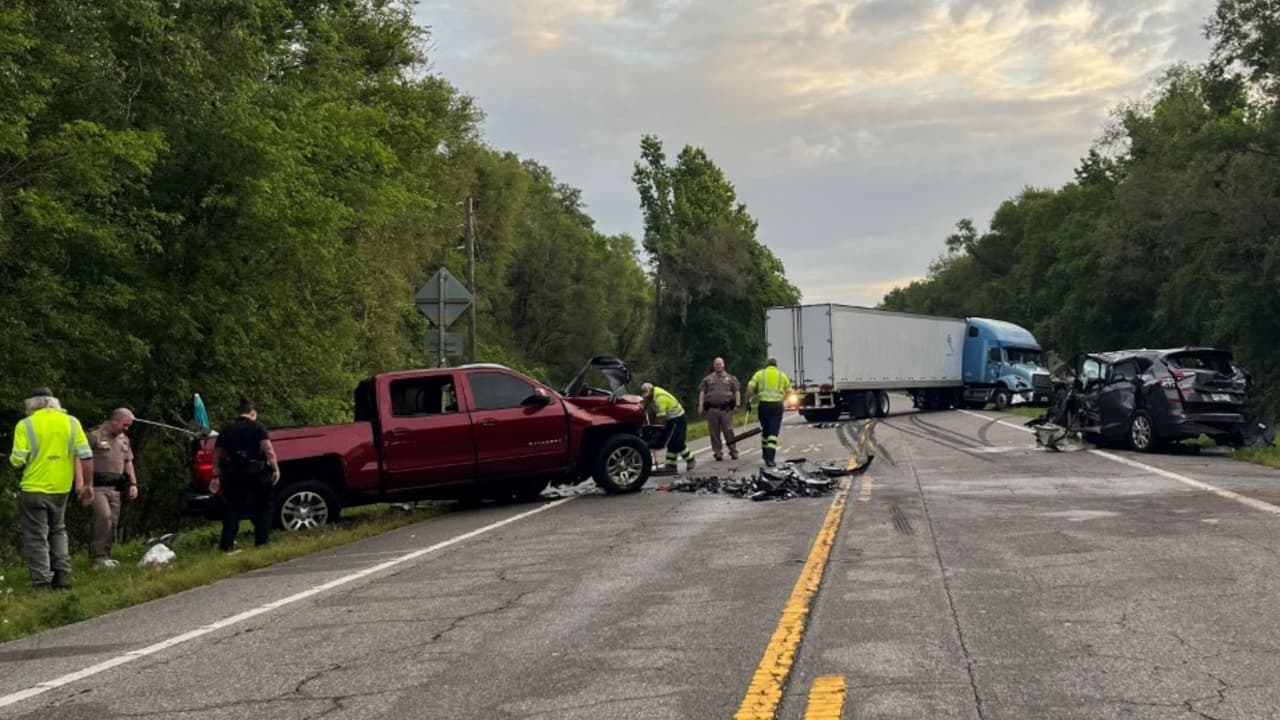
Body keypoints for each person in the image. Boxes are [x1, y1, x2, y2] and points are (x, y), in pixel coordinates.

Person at [8, 388, 93, 590]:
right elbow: (86, 455)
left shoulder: (25, 425)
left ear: (30, 404)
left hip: (34, 488)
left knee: (36, 536)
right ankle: (63, 576)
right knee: (58, 530)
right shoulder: (72, 422)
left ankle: (42, 582)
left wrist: (16, 458)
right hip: (61, 488)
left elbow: (17, 460)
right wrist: (88, 484)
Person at [210, 397, 280, 553]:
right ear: (252, 413)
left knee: (233, 509)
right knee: (263, 507)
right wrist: (275, 469)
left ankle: (226, 545)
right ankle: (262, 542)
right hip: (257, 472)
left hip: (234, 474)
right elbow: (268, 449)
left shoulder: (227, 430)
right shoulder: (258, 428)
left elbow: (218, 454)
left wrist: (215, 474)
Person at [86, 408, 137, 569]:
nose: (126, 429)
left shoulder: (124, 440)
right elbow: (80, 458)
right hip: (97, 486)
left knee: (113, 522)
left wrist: (133, 484)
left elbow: (128, 462)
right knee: (104, 517)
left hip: (115, 486)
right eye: (125, 425)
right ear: (115, 421)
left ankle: (107, 555)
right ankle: (98, 556)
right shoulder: (95, 435)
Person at [746, 358, 792, 467]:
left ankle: (764, 453)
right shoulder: (782, 375)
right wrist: (783, 399)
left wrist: (748, 401)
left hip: (763, 405)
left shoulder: (760, 374)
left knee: (765, 430)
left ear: (767, 365)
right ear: (776, 365)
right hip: (777, 406)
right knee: (773, 433)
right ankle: (770, 458)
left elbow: (750, 388)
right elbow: (790, 392)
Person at [640, 383, 696, 472]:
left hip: (678, 418)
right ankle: (671, 465)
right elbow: (646, 403)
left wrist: (654, 429)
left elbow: (661, 417)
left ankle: (690, 460)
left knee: (678, 442)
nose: (647, 397)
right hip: (671, 418)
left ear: (651, 390)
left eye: (647, 395)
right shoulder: (652, 394)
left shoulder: (659, 398)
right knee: (671, 442)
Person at [698, 357, 741, 461]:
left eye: (720, 364)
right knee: (714, 432)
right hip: (712, 409)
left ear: (723, 365)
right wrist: (700, 405)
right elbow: (702, 392)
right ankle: (718, 452)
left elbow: (736, 391)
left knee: (728, 431)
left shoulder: (730, 378)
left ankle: (733, 451)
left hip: (726, 409)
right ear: (714, 365)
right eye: (716, 364)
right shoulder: (707, 379)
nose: (718, 366)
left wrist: (738, 404)